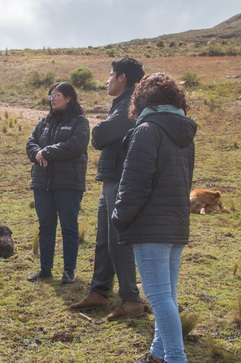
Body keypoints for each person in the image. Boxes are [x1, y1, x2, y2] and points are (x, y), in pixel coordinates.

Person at [111, 73, 197, 363]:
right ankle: (157, 355)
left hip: (150, 228)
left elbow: (135, 182)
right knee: (166, 297)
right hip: (175, 227)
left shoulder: (146, 130)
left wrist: (119, 216)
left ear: (142, 99)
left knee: (160, 299)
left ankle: (175, 358)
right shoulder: (184, 133)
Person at [70, 58, 146, 321]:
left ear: (122, 78)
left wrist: (100, 129)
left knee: (118, 239)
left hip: (120, 178)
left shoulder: (129, 106)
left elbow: (100, 136)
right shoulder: (121, 105)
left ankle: (130, 299)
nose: (107, 80)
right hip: (111, 177)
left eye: (111, 75)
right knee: (104, 238)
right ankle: (100, 291)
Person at [26, 82, 90, 284]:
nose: (52, 98)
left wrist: (47, 152)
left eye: (57, 95)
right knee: (45, 226)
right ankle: (45, 269)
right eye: (50, 95)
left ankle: (69, 271)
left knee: (69, 227)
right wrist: (37, 153)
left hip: (68, 183)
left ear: (69, 98)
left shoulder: (80, 122)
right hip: (42, 182)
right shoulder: (43, 122)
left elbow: (76, 146)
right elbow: (31, 142)